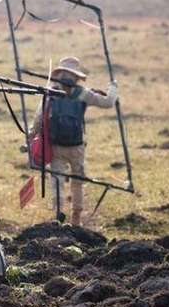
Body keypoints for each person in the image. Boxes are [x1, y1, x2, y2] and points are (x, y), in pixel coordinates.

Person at [28, 57, 118, 226]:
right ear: (76, 75)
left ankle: (58, 215)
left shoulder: (51, 91)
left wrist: (31, 136)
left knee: (56, 181)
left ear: (60, 73)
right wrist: (113, 87)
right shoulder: (83, 93)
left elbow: (39, 119)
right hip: (76, 146)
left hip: (55, 146)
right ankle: (76, 217)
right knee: (78, 181)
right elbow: (108, 103)